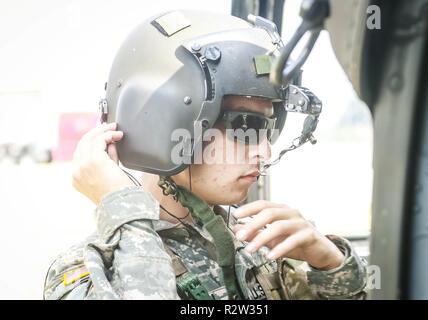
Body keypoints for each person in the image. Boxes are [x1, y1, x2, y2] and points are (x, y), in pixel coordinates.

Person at [43, 10, 367, 300]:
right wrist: (124, 211)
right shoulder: (88, 271)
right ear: (164, 123)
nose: (264, 151)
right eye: (245, 124)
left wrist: (329, 262)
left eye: (267, 128)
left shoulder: (257, 245)